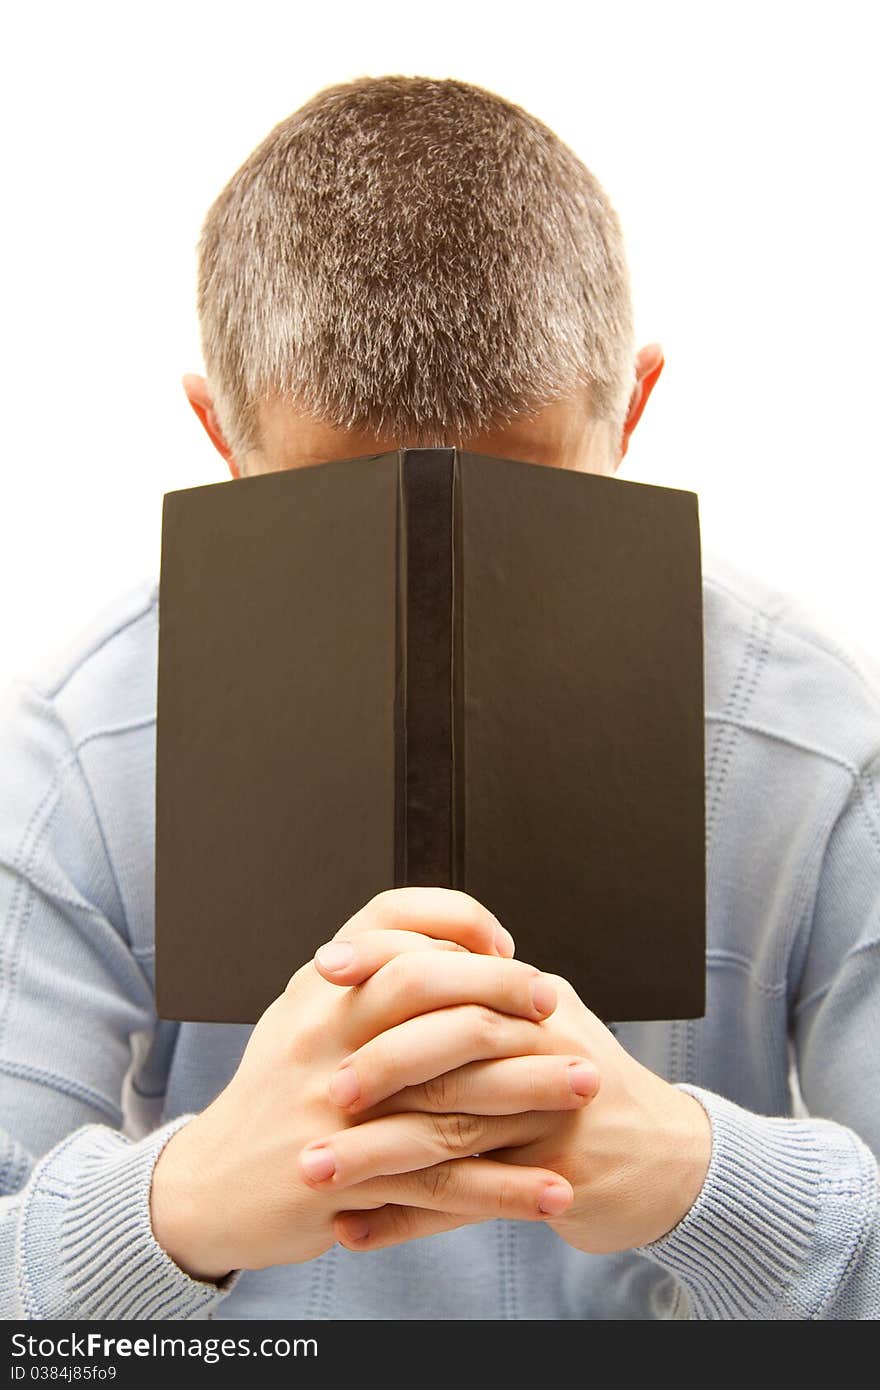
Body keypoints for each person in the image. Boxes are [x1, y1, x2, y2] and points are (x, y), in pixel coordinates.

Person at [1, 74, 878, 1323]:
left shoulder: (815, 733)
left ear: (630, 411)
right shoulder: (77, 747)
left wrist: (695, 1174)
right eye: (337, 523)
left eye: (525, 514)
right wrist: (182, 1204)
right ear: (218, 439)